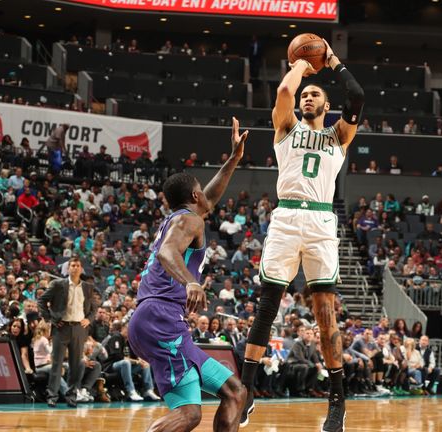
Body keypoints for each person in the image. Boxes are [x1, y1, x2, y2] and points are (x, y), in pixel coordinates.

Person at [240, 39, 363, 432]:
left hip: (322, 223)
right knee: (267, 305)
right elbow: (282, 92)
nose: (307, 97)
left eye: (315, 95)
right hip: (287, 216)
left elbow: (357, 95)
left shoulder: (339, 135)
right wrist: (298, 66)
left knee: (325, 314)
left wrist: (332, 62)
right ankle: (245, 392)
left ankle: (337, 404)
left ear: (328, 106)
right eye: (305, 95)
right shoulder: (286, 127)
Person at [127, 118, 248, 432]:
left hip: (161, 319)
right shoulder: (187, 223)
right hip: (160, 317)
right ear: (195, 198)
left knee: (236, 392)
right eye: (201, 192)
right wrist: (191, 281)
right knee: (190, 414)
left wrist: (234, 158)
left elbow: (212, 195)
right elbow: (168, 252)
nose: (207, 196)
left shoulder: (186, 216)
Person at [37, 257, 98, 408]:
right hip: (61, 327)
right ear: (68, 268)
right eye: (72, 265)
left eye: (78, 265)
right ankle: (52, 395)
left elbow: (93, 308)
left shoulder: (88, 287)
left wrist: (88, 319)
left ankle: (71, 396)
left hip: (79, 328)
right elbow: (41, 301)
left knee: (76, 365)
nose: (75, 268)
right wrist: (50, 319)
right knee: (57, 364)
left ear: (81, 268)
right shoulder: (58, 284)